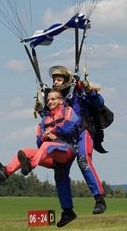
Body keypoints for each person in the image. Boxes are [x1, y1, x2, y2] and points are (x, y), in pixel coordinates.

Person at [0, 89, 81, 227]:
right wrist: (44, 136)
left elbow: (72, 127)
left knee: (47, 146)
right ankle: (6, 172)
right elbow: (39, 141)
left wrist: (54, 131)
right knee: (25, 151)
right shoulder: (45, 120)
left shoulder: (68, 111)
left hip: (66, 150)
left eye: (54, 99)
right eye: (49, 100)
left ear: (61, 101)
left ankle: (31, 165)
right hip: (52, 156)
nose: (50, 101)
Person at [45, 65, 108, 215]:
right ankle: (67, 211)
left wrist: (89, 90)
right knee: (60, 170)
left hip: (82, 132)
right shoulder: (53, 97)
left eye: (59, 80)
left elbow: (99, 102)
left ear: (66, 80)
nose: (55, 83)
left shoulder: (78, 91)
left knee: (83, 161)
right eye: (54, 80)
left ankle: (99, 200)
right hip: (65, 137)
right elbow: (49, 120)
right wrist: (42, 109)